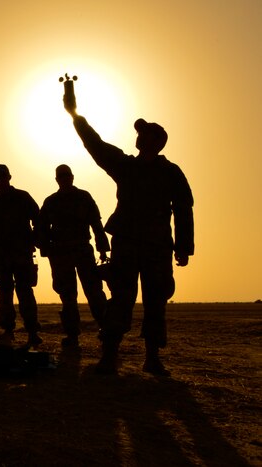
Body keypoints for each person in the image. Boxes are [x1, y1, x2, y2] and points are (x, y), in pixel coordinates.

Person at [64, 91, 194, 376]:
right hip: (132, 245)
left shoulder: (164, 172)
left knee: (154, 300)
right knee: (123, 298)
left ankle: (149, 358)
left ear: (149, 141)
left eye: (141, 133)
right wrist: (75, 116)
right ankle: (111, 357)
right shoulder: (129, 166)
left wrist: (183, 246)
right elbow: (94, 144)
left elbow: (184, 208)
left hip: (154, 247)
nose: (137, 137)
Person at [36, 164, 110, 347]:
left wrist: (102, 249)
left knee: (93, 292)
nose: (64, 179)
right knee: (68, 296)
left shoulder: (82, 197)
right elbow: (41, 229)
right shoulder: (52, 202)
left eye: (65, 175)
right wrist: (45, 249)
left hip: (80, 251)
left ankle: (106, 330)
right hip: (62, 253)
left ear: (71, 177)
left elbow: (96, 224)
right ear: (58, 179)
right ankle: (73, 335)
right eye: (61, 176)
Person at [0, 164, 42, 348]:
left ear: (9, 177)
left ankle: (31, 331)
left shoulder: (23, 197)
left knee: (25, 291)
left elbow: (38, 219)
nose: (1, 179)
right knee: (6, 292)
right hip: (1, 255)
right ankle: (9, 330)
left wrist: (35, 241)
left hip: (21, 254)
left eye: (3, 176)